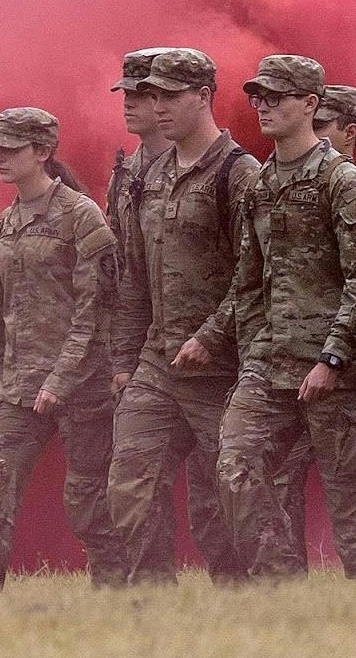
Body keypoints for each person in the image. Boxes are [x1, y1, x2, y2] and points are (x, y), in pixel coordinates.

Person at [215, 52, 356, 579]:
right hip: (271, 365)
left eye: (276, 97)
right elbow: (248, 282)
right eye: (258, 96)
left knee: (352, 507)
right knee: (236, 465)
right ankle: (279, 586)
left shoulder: (343, 181)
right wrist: (252, 358)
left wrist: (333, 358)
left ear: (310, 104)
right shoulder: (260, 185)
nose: (262, 106)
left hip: (339, 374)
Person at [99, 45, 254, 585]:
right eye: (153, 94)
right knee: (130, 482)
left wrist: (212, 337)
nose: (158, 105)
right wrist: (124, 358)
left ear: (204, 96)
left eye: (171, 95)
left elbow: (257, 276)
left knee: (234, 497)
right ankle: (152, 609)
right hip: (159, 363)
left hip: (223, 368)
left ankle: (258, 601)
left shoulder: (239, 175)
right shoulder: (150, 177)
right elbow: (134, 278)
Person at [0, 106, 115, 587]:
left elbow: (96, 309)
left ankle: (123, 599)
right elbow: (0, 311)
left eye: (11, 148)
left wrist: (61, 379)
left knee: (88, 502)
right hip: (21, 389)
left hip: (81, 385)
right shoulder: (6, 223)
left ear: (42, 152)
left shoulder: (81, 216)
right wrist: (7, 379)